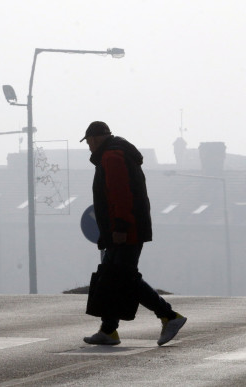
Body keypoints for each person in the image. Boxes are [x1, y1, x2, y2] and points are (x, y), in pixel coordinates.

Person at [81, 121, 187, 346]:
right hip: (124, 227)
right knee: (112, 277)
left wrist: (120, 227)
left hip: (126, 229)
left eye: (88, 141)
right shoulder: (116, 154)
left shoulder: (111, 157)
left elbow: (120, 195)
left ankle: (169, 316)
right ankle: (108, 331)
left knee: (125, 278)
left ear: (96, 139)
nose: (88, 146)